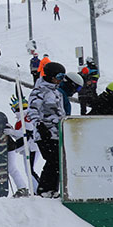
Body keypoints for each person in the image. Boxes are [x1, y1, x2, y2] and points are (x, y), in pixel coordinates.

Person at [28, 62, 66, 197]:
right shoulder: (39, 91)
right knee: (53, 160)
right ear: (50, 76)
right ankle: (44, 190)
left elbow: (60, 112)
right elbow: (32, 109)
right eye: (59, 76)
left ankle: (53, 189)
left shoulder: (57, 93)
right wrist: (39, 125)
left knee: (59, 161)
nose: (61, 79)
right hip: (45, 133)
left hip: (57, 133)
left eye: (63, 76)